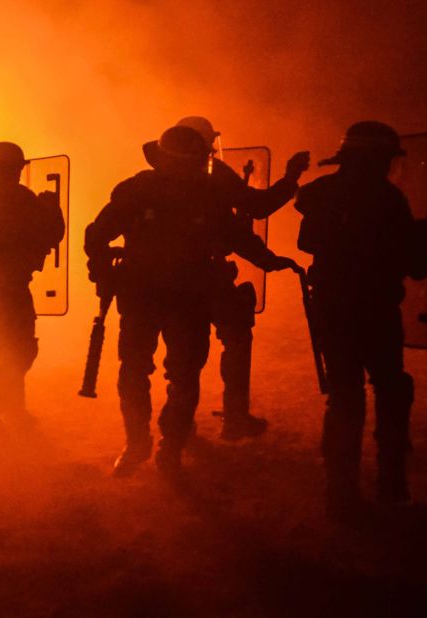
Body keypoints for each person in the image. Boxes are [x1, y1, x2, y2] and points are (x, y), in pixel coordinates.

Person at [86, 126, 296, 477]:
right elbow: (98, 234)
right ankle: (157, 446)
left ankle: (153, 446)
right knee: (168, 375)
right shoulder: (160, 190)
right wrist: (269, 260)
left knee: (150, 373)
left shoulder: (151, 189)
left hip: (165, 298)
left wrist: (102, 269)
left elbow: (96, 234)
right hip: (165, 298)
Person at [294, 121, 426, 518]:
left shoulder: (321, 195)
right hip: (375, 309)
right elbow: (416, 267)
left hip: (333, 309)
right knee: (391, 388)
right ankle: (391, 483)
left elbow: (306, 242)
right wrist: (422, 243)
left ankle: (340, 491)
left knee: (345, 397)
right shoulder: (389, 200)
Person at [173, 116, 310, 440]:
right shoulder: (214, 176)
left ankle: (179, 427)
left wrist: (265, 259)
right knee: (235, 339)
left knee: (184, 355)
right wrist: (290, 177)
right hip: (208, 277)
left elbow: (228, 227)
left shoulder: (156, 181)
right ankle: (234, 417)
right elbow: (254, 208)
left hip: (173, 282)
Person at [0, 142, 65, 436]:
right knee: (21, 350)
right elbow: (52, 233)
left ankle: (13, 406)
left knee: (9, 347)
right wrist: (51, 207)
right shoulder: (22, 199)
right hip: (9, 285)